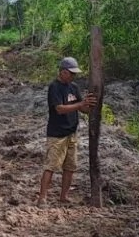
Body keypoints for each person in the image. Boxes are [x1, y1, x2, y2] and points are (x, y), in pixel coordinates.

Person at [36, 56, 97, 204]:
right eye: (71, 73)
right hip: (57, 134)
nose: (73, 76)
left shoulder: (73, 87)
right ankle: (42, 198)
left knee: (70, 167)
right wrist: (80, 104)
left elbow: (82, 108)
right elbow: (59, 109)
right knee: (51, 166)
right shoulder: (54, 87)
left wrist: (89, 105)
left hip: (72, 133)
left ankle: (64, 196)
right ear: (63, 72)